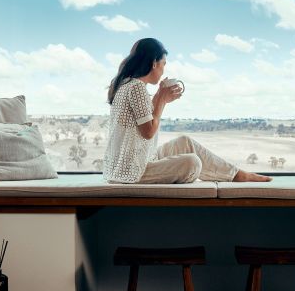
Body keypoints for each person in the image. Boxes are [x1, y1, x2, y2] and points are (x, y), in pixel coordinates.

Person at [103, 38, 272, 184]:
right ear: (154, 63)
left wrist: (159, 98)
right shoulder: (136, 87)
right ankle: (238, 176)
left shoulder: (127, 84)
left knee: (185, 142)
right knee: (192, 163)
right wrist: (161, 99)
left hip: (135, 161)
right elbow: (148, 132)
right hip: (132, 172)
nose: (163, 69)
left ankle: (237, 175)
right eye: (163, 64)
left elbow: (144, 122)